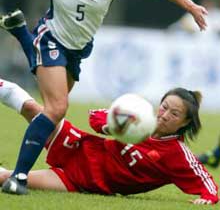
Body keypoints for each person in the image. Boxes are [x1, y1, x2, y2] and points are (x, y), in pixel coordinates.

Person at [0, 0, 208, 195]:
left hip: (77, 50)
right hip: (51, 38)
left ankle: (19, 41)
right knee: (56, 107)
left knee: (49, 112)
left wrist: (190, 5)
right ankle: (19, 178)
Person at [0, 78, 218, 204]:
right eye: (165, 106)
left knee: (6, 178)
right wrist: (111, 125)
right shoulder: (138, 117)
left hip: (81, 182)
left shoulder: (177, 155)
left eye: (175, 114)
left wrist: (207, 199)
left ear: (184, 123)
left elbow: (208, 184)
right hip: (78, 147)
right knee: (32, 108)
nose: (165, 114)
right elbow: (96, 114)